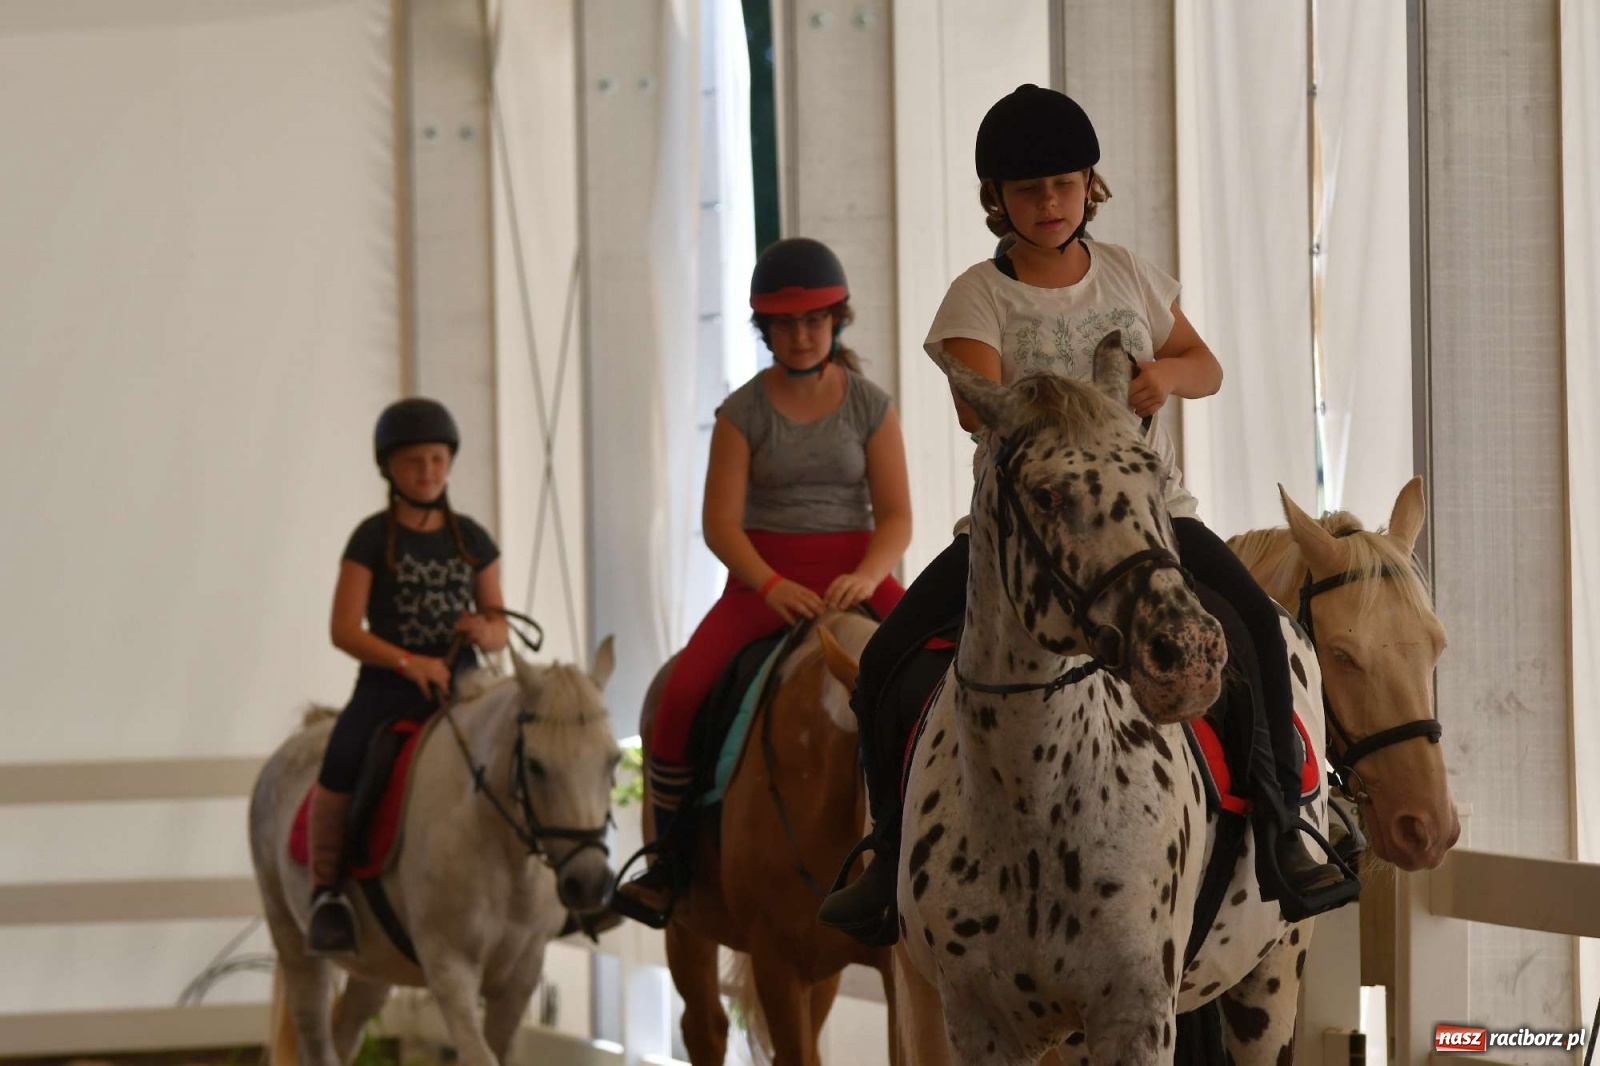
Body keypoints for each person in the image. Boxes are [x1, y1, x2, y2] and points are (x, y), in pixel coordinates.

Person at [817, 84, 1360, 946]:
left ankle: (1284, 828)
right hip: (1021, 536)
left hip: (1150, 520)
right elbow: (976, 404)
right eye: (1028, 190)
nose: (1048, 203)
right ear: (998, 199)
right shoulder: (976, 298)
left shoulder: (1132, 276)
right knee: (886, 659)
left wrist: (1164, 378)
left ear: (1087, 186)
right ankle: (889, 850)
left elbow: (1205, 364)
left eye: (1063, 185)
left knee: (1254, 626)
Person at [610, 238, 913, 928]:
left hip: (854, 574)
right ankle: (669, 864)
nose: (801, 334)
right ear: (766, 329)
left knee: (941, 668)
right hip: (762, 581)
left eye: (813, 320)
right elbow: (720, 525)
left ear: (837, 321)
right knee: (683, 693)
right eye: (785, 323)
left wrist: (869, 573)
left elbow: (895, 516)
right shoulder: (740, 413)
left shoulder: (871, 406)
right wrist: (770, 584)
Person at [306, 397, 508, 955]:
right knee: (344, 757)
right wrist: (408, 662)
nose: (428, 472)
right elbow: (344, 629)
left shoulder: (473, 539)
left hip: (463, 685)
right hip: (389, 685)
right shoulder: (370, 538)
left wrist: (485, 632)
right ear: (389, 468)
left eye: (438, 460)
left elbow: (500, 622)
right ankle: (327, 891)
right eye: (415, 461)